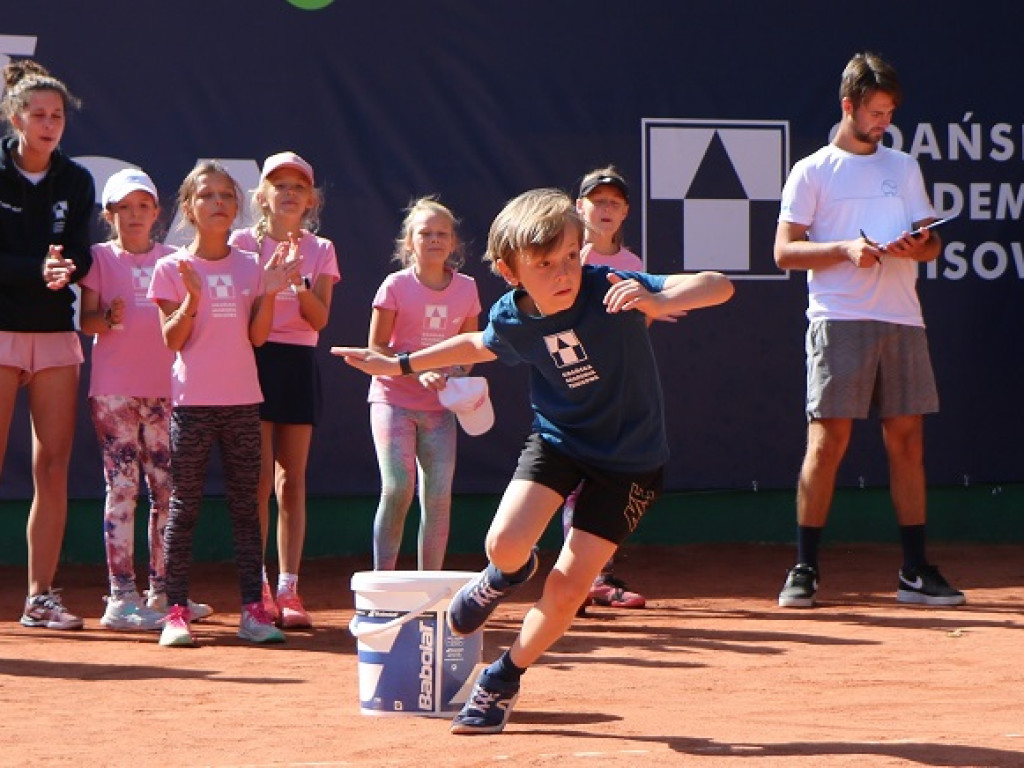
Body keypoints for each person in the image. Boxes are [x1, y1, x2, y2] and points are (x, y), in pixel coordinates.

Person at [332, 188, 733, 734]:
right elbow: (476, 344)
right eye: (545, 264)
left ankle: (503, 675)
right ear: (509, 270)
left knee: (570, 585)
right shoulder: (513, 318)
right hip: (560, 442)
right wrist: (400, 363)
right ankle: (505, 575)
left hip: (631, 464)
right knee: (504, 544)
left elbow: (719, 286)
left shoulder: (615, 288)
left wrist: (658, 300)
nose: (564, 272)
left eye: (571, 256)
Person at [774, 52, 965, 609]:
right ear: (848, 106)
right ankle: (804, 568)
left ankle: (915, 570)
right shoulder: (812, 170)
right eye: (876, 113)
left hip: (903, 318)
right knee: (826, 443)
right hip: (839, 320)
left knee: (907, 443)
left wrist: (916, 244)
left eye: (890, 114)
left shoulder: (903, 167)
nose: (884, 123)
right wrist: (844, 250)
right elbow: (784, 251)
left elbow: (931, 241)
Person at [147, 160, 297, 646]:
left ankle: (254, 610)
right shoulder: (172, 267)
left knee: (244, 508)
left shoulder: (251, 267)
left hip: (242, 403)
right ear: (189, 207)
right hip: (192, 405)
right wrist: (192, 300)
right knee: (184, 508)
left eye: (226, 197)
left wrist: (270, 292)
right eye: (207, 196)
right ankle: (175, 613)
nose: (218, 204)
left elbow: (256, 336)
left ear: (236, 209)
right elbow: (174, 341)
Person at [80, 168, 214, 631]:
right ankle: (121, 598)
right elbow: (88, 323)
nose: (134, 215)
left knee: (168, 491)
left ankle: (163, 593)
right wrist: (107, 316)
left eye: (142, 206)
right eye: (124, 208)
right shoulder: (99, 258)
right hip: (114, 393)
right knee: (122, 489)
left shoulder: (175, 260)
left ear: (156, 213)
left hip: (167, 391)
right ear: (110, 214)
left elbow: (188, 322)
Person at [0, 60, 93, 630]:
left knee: (53, 468)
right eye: (39, 115)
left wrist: (67, 271)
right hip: (1, 334)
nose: (49, 124)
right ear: (16, 119)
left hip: (56, 336)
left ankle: (41, 598)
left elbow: (80, 252)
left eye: (57, 116)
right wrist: (38, 268)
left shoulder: (76, 181)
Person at [230, 152, 339, 628]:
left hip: (297, 363)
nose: (290, 192)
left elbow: (319, 318)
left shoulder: (322, 249)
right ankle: (257, 587)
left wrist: (297, 282)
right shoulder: (238, 244)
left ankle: (289, 589)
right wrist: (270, 287)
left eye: (299, 186)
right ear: (263, 197)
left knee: (290, 481)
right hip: (250, 360)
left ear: (311, 199)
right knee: (255, 483)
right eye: (280, 184)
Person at [362, 197, 481, 571]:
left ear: (453, 242)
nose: (434, 239)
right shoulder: (394, 285)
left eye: (442, 233)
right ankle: (384, 585)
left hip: (440, 409)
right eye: (425, 233)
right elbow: (376, 347)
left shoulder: (467, 288)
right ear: (409, 241)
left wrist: (449, 375)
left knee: (438, 498)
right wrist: (414, 369)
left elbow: (470, 351)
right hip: (392, 401)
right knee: (397, 488)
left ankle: (428, 588)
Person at [564, 165, 648, 614]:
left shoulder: (632, 265)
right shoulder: (568, 258)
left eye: (614, 202)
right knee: (574, 485)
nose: (606, 209)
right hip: (575, 384)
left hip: (618, 386)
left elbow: (642, 320)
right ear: (580, 208)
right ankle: (573, 580)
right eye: (598, 202)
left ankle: (597, 577)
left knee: (610, 482)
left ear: (626, 212)